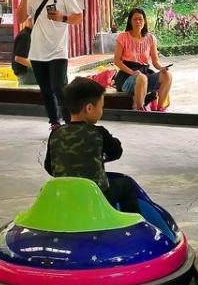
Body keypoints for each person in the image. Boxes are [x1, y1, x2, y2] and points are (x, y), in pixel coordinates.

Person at [44, 77, 139, 214]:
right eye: (101, 106)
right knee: (126, 185)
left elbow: (50, 167)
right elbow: (116, 152)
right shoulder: (99, 132)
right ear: (89, 108)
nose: (102, 110)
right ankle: (132, 226)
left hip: (64, 196)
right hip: (96, 197)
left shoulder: (56, 133)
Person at [15, 0, 83, 128]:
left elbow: (79, 17)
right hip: (37, 52)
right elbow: (21, 18)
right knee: (45, 90)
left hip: (58, 51)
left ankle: (71, 123)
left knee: (60, 88)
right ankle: (54, 123)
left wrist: (63, 17)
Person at [113, 7, 172, 111]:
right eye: (135, 19)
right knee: (141, 77)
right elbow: (117, 61)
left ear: (144, 21)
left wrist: (161, 68)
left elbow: (155, 61)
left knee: (167, 75)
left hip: (144, 73)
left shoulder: (150, 38)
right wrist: (132, 72)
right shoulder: (122, 37)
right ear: (130, 22)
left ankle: (160, 108)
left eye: (140, 19)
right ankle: (140, 109)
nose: (138, 22)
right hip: (127, 76)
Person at [11, 21, 37, 85]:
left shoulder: (30, 34)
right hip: (26, 74)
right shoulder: (25, 36)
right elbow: (18, 58)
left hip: (28, 73)